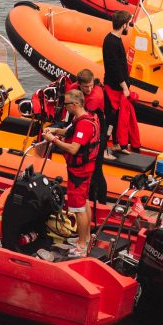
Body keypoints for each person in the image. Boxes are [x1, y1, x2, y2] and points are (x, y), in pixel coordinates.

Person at [41, 89, 100, 257]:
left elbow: (74, 149)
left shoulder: (84, 124)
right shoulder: (83, 118)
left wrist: (53, 140)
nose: (64, 107)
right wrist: (54, 131)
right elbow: (69, 132)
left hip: (79, 172)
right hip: (85, 169)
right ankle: (86, 237)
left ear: (75, 104)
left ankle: (81, 245)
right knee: (84, 202)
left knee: (78, 207)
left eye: (66, 104)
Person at [102, 10, 133, 156]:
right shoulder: (110, 42)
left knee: (118, 118)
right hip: (113, 88)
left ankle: (116, 145)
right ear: (124, 25)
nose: (129, 26)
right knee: (109, 118)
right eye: (129, 24)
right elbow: (114, 67)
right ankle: (103, 149)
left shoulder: (116, 39)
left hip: (118, 88)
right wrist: (124, 86)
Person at [76, 68, 107, 205]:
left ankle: (101, 201)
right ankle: (89, 198)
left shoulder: (95, 97)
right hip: (91, 128)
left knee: (97, 169)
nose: (88, 89)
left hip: (98, 132)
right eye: (85, 87)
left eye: (90, 86)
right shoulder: (76, 88)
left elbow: (84, 120)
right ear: (79, 85)